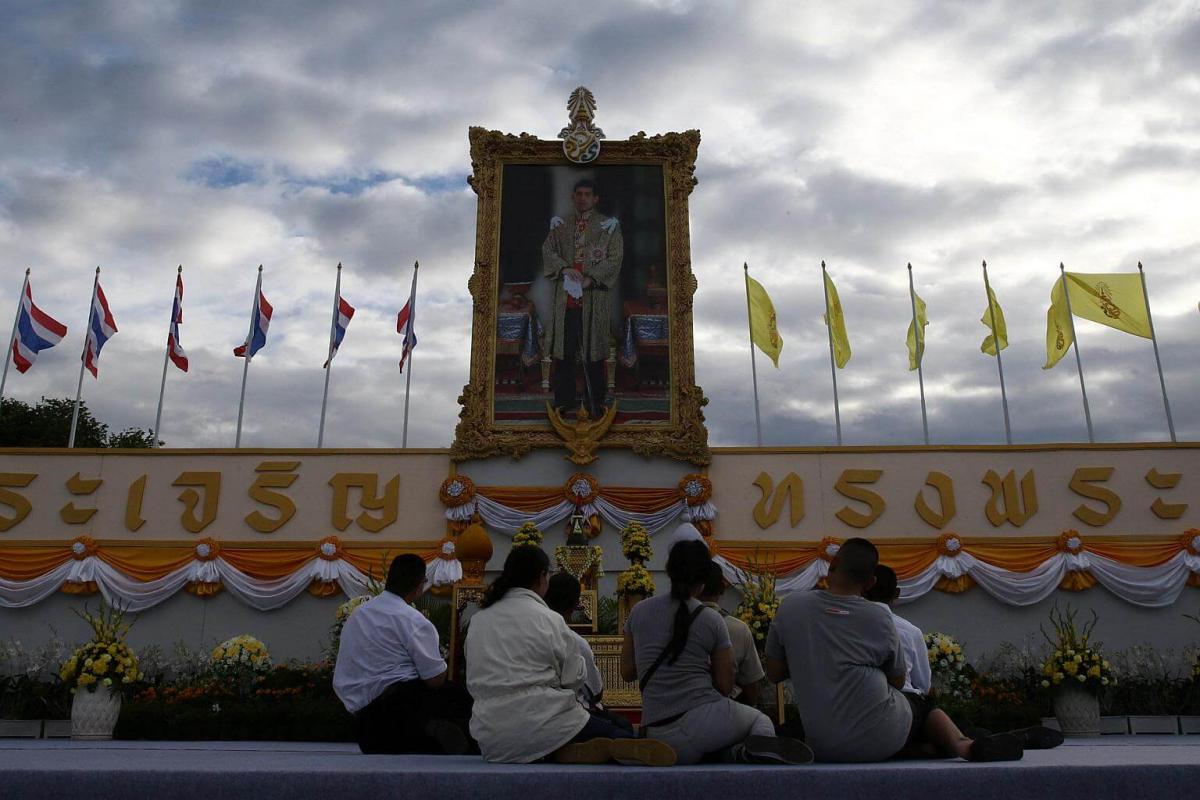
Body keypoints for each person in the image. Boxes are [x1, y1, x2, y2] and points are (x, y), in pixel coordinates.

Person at [765, 537, 1026, 763]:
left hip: (820, 744)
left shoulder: (792, 607)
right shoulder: (878, 617)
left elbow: (774, 673)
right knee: (922, 704)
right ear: (869, 583)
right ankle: (962, 744)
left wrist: (811, 657)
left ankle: (930, 747)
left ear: (829, 567)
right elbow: (898, 680)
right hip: (881, 734)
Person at [465, 546, 673, 765]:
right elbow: (574, 679)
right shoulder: (549, 619)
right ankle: (566, 748)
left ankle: (558, 751)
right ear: (541, 577)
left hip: (491, 737)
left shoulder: (478, 622)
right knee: (622, 737)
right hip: (546, 723)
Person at [622, 539, 813, 765]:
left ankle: (732, 753)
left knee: (708, 740)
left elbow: (627, 672)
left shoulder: (639, 611)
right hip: (702, 723)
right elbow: (724, 686)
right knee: (759, 722)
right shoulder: (711, 620)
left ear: (669, 571)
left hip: (656, 731)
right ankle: (744, 758)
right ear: (703, 582)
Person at [333, 553, 471, 755]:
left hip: (364, 724)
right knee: (459, 698)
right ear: (420, 584)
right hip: (402, 716)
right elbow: (435, 680)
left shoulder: (358, 615)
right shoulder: (413, 620)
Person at [542, 178, 623, 418]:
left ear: (595, 198)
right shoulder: (561, 225)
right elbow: (548, 250)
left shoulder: (608, 226)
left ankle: (594, 401)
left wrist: (591, 279)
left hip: (594, 298)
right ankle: (564, 400)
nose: (583, 198)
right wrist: (565, 268)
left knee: (594, 352)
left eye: (588, 194)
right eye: (579, 194)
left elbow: (615, 257)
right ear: (573, 197)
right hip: (565, 300)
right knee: (564, 352)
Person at [544, 572, 634, 734]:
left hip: (539, 711)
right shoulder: (575, 642)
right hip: (570, 715)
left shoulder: (533, 634)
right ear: (575, 604)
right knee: (624, 729)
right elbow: (596, 693)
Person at [698, 561, 765, 706]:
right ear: (722, 589)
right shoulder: (737, 628)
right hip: (725, 709)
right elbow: (751, 686)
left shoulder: (672, 624)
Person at [863, 564, 931, 696]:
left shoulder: (846, 625)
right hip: (904, 701)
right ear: (897, 593)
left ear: (862, 590)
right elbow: (923, 685)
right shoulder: (910, 631)